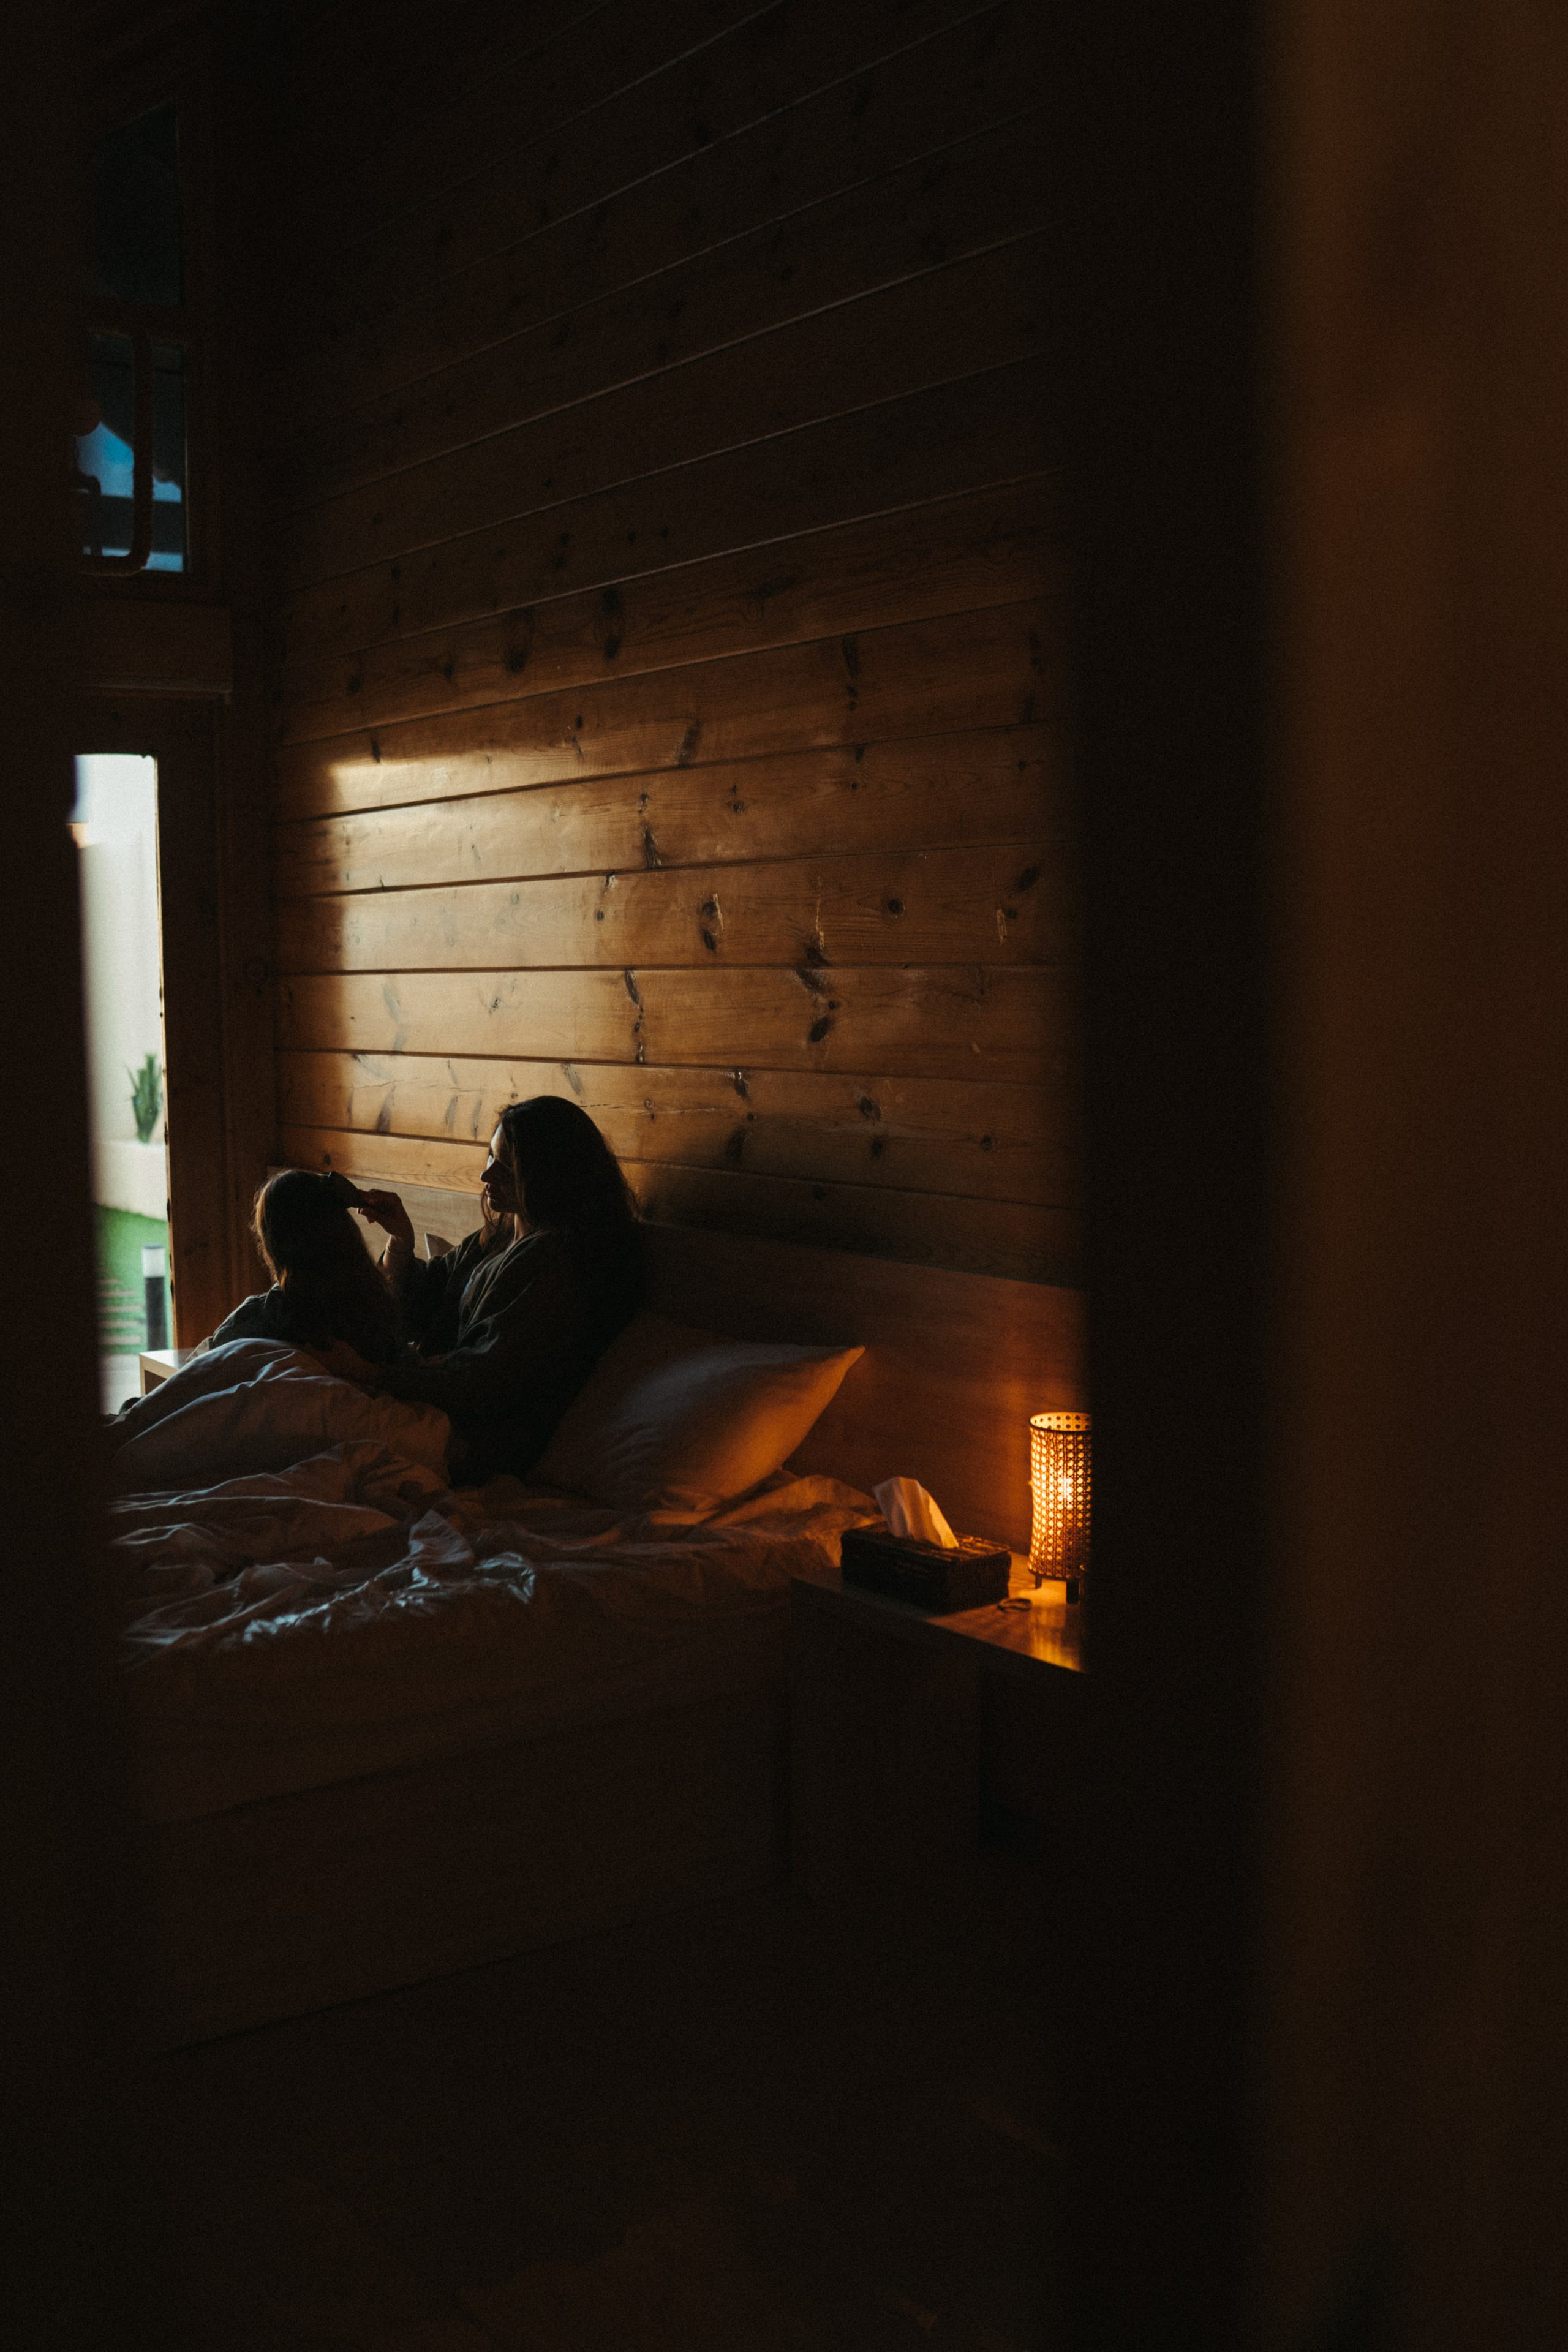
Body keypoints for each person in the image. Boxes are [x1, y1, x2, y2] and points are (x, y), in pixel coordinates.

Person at [320, 1096, 643, 1482]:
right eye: (490, 1157)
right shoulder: (498, 1235)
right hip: (432, 1406)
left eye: (507, 1169)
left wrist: (369, 1373)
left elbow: (482, 1381)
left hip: (476, 1441)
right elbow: (420, 1304)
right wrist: (402, 1242)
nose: (486, 1176)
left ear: (547, 1177)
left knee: (300, 1410)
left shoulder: (556, 1263)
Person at [206, 1167, 401, 1363]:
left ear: (273, 1244)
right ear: (344, 1229)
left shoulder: (251, 1323)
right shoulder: (379, 1313)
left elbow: (200, 1372)